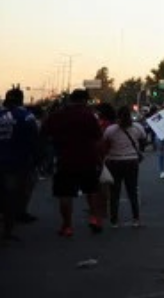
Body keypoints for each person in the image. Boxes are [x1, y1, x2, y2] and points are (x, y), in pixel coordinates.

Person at [0, 87, 38, 241]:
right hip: (15, 165)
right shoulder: (27, 117)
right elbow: (33, 141)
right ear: (21, 100)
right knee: (11, 199)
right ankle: (7, 233)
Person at [43, 89, 106, 236]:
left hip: (64, 160)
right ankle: (94, 219)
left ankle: (67, 226)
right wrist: (100, 159)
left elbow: (44, 133)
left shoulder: (57, 115)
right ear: (84, 100)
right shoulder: (89, 116)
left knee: (65, 194)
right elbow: (98, 139)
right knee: (91, 191)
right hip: (87, 159)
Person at [102, 105, 146, 227]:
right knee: (132, 191)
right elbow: (143, 141)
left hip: (114, 162)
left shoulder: (110, 130)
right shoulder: (138, 127)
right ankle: (136, 219)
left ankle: (114, 221)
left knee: (114, 192)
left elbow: (105, 146)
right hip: (131, 161)